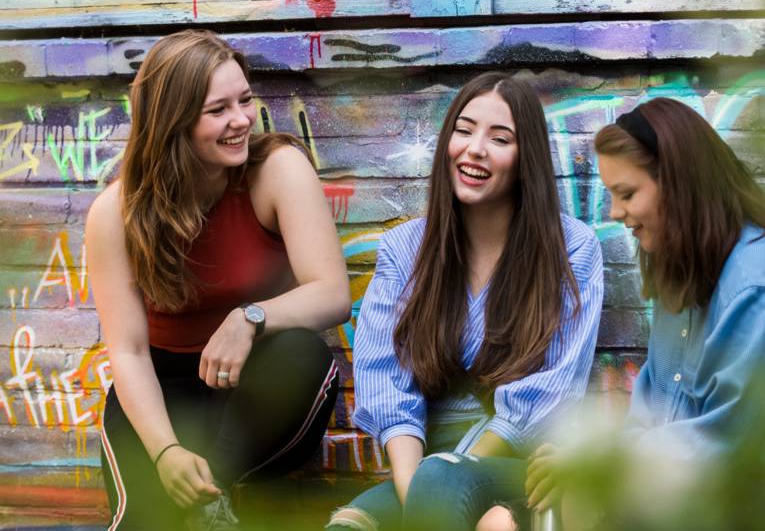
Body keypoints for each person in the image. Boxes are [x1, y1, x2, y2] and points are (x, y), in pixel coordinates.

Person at [86, 30, 351, 530]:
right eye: (218, 110)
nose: (241, 120)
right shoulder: (113, 215)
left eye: (245, 100)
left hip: (250, 380)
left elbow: (332, 293)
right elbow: (128, 352)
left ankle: (215, 498)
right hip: (159, 389)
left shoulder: (277, 170)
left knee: (303, 355)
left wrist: (249, 318)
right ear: (173, 121)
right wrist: (165, 452)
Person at [326, 72, 604, 531]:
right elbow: (386, 385)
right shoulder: (404, 250)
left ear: (525, 158)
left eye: (500, 138)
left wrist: (443, 478)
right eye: (464, 129)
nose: (475, 148)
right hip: (420, 459)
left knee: (467, 500)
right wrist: (418, 489)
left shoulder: (571, 248)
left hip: (516, 460)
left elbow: (548, 393)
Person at [509, 98, 765, 530]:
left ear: (680, 185)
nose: (613, 213)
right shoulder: (681, 277)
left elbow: (726, 442)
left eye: (626, 194)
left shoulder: (751, 286)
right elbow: (649, 410)